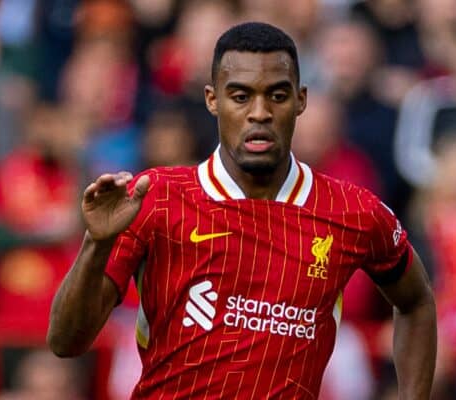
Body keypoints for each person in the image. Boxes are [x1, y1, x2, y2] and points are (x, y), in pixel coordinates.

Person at [47, 22, 436, 399]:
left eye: (278, 96)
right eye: (240, 96)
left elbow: (416, 301)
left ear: (301, 100)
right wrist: (95, 245)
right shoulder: (155, 197)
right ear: (212, 100)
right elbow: (65, 342)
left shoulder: (352, 211)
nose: (260, 112)